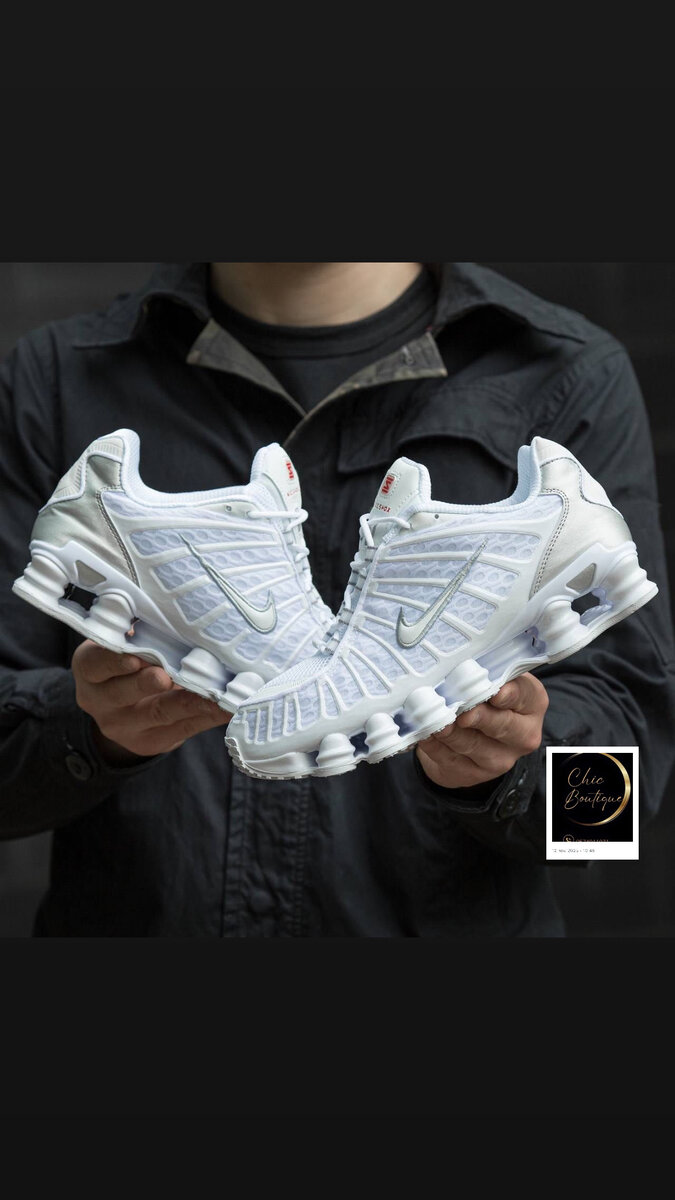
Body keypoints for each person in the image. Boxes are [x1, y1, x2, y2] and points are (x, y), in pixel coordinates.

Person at [0, 262, 673, 937]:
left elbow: (615, 815)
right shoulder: (54, 376)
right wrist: (92, 732)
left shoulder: (569, 372)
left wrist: (507, 774)